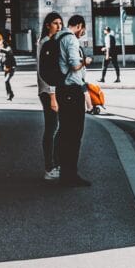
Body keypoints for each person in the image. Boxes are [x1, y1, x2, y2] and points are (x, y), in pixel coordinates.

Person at [54, 14, 91, 187]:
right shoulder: (71, 40)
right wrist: (86, 61)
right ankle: (70, 175)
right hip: (71, 91)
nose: (83, 32)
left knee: (66, 132)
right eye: (83, 29)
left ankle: (65, 172)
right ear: (79, 26)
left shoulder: (59, 37)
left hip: (62, 89)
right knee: (74, 134)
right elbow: (75, 65)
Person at [37, 11, 63, 181]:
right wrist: (53, 95)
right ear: (48, 25)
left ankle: (54, 163)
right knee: (51, 128)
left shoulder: (52, 42)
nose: (59, 26)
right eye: (55, 23)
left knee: (54, 127)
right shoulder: (46, 43)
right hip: (48, 91)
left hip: (51, 90)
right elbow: (46, 72)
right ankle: (50, 167)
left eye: (60, 23)